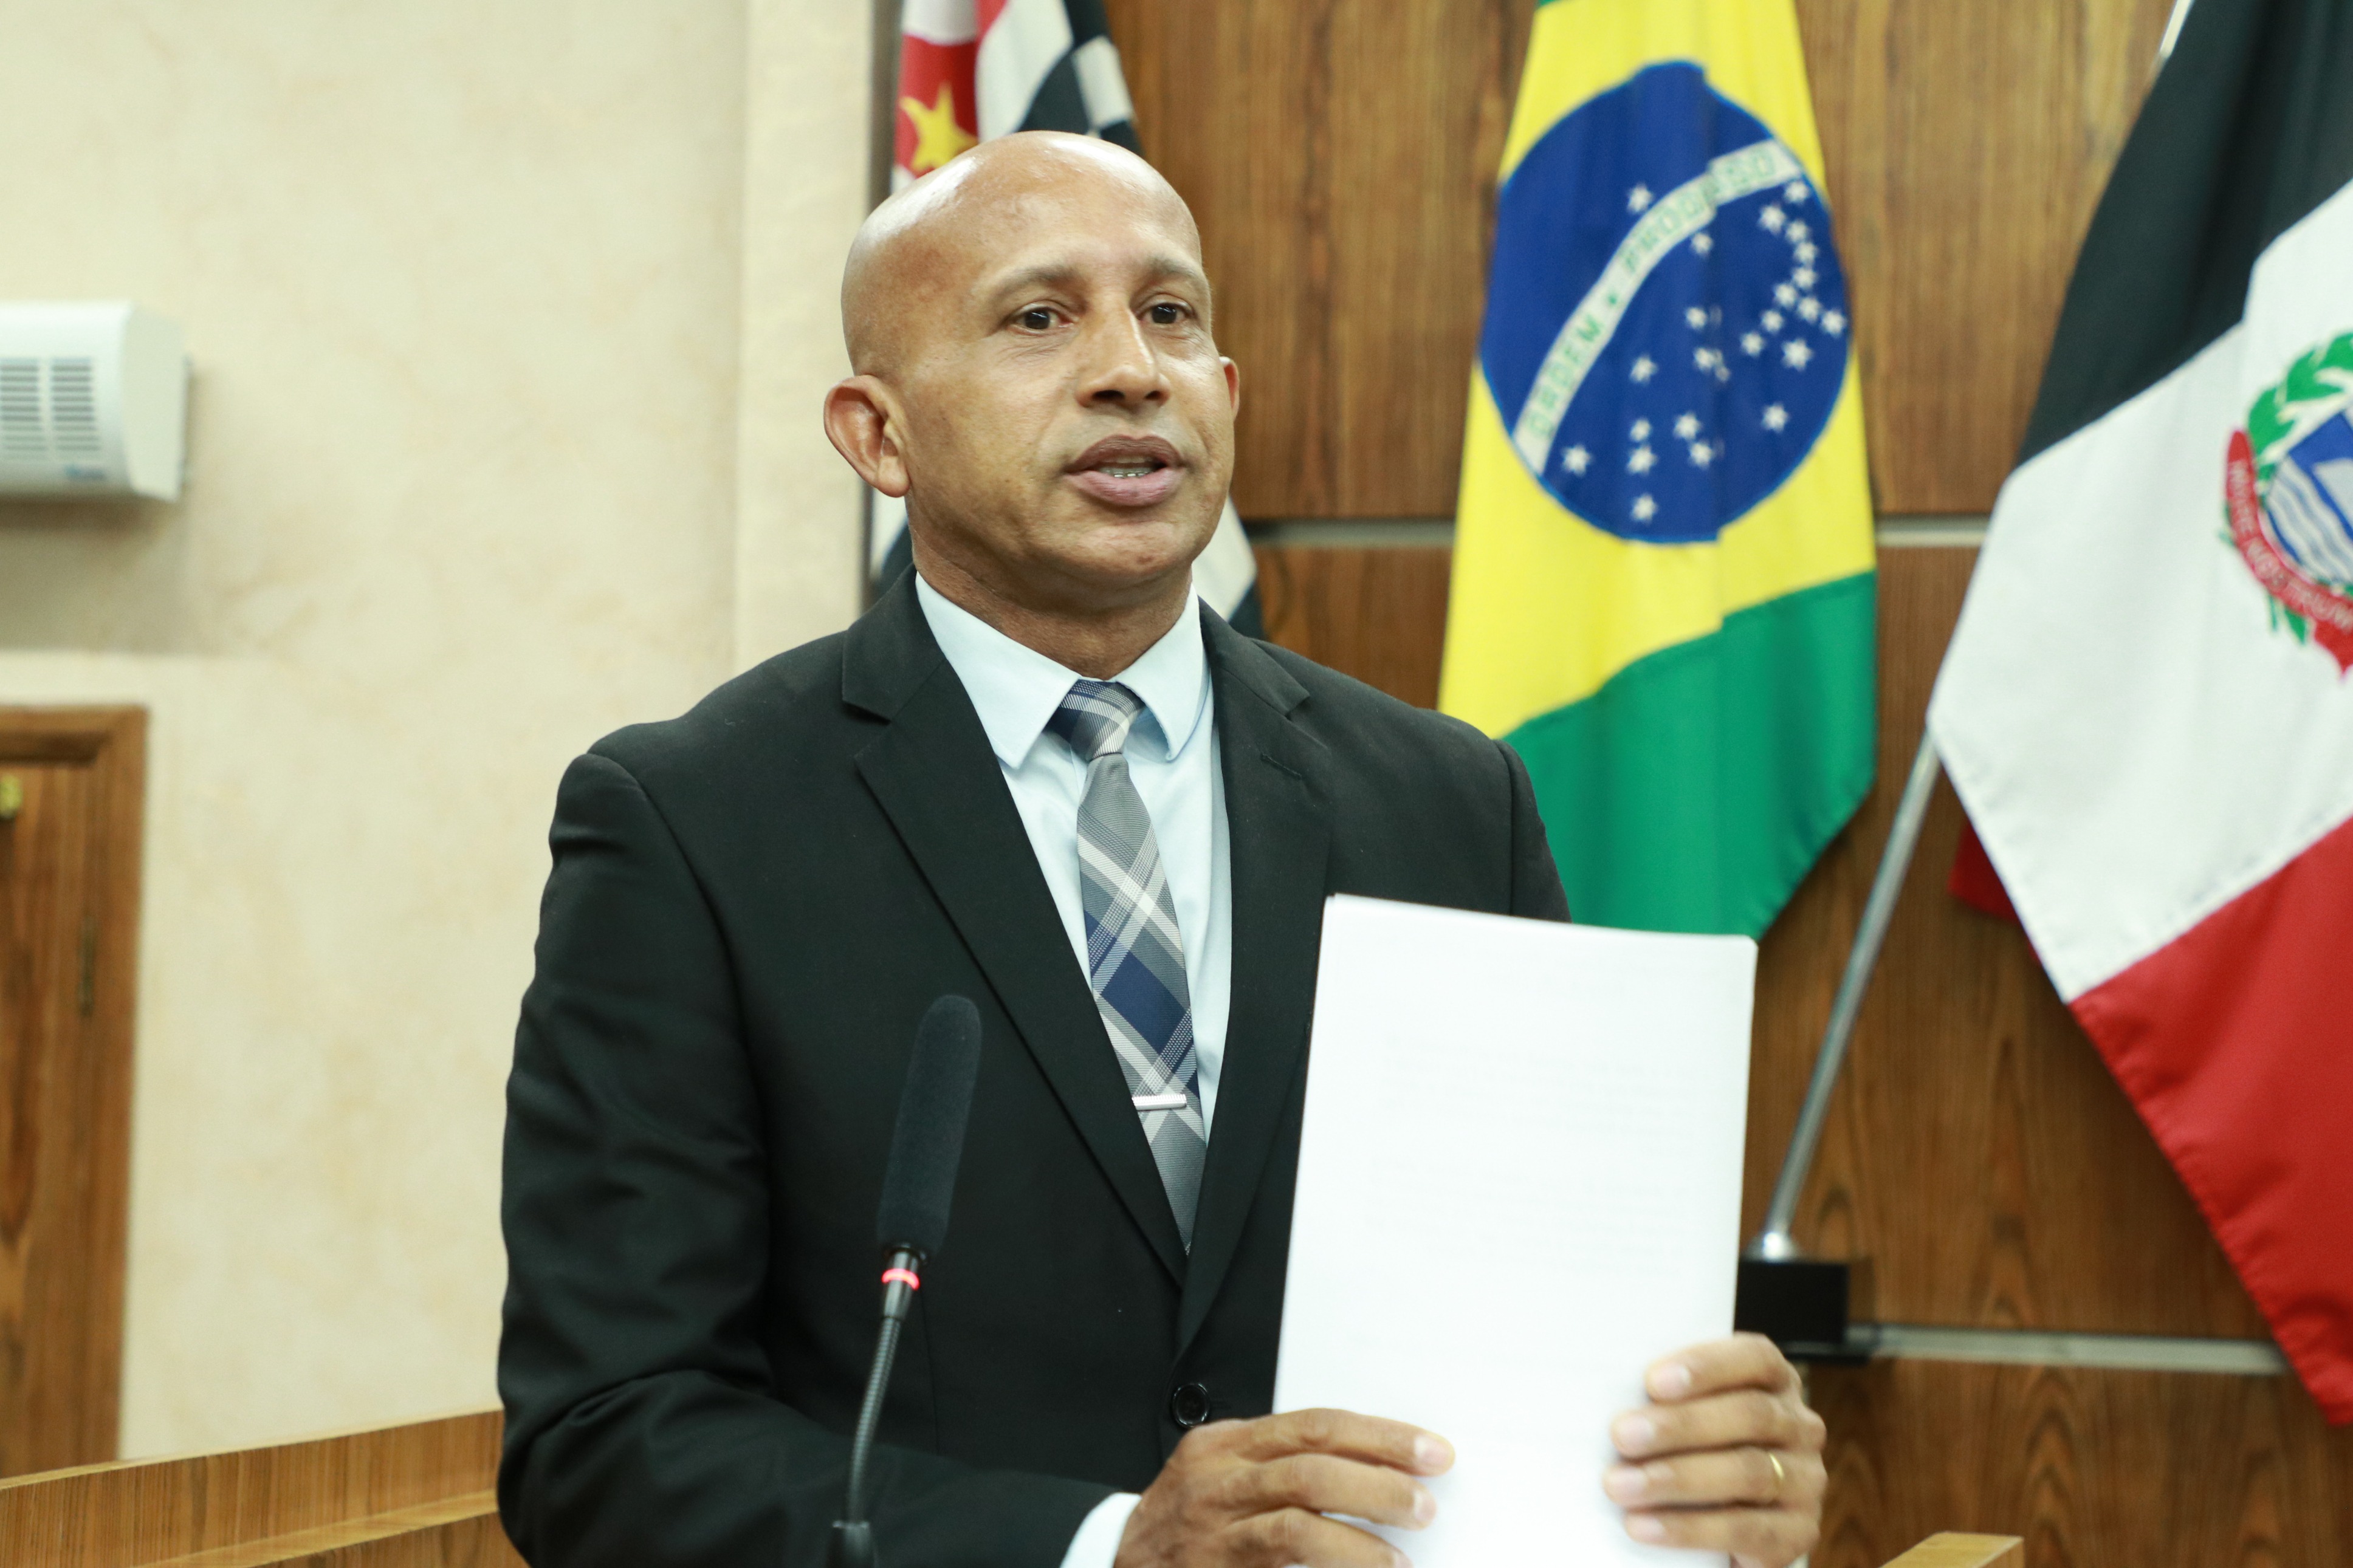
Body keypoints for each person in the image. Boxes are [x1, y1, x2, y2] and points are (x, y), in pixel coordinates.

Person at [497, 131, 1826, 1568]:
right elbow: (608, 1442)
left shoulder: (1454, 803)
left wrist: (1703, 1466)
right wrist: (1104, 1545)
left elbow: (1545, 1312)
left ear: (1225, 396)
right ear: (878, 435)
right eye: (1037, 317)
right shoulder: (693, 823)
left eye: (1170, 314)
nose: (1131, 369)